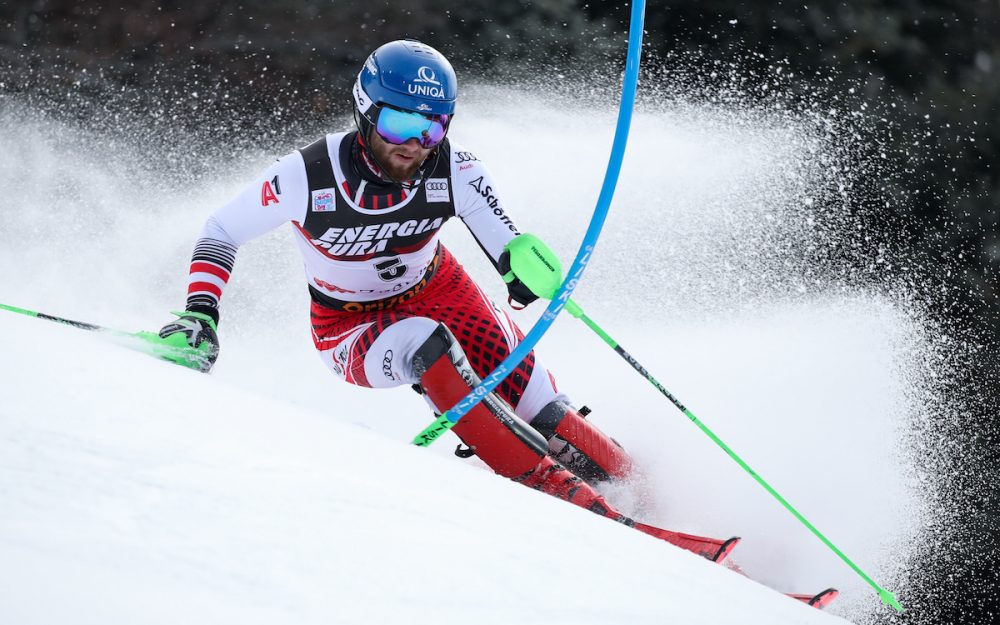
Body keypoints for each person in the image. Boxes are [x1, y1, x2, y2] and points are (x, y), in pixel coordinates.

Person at [158, 39, 735, 562]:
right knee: (427, 347)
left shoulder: (456, 169)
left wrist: (524, 264)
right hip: (350, 324)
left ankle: (662, 508)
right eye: (399, 121)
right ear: (365, 108)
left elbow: (507, 241)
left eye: (431, 128)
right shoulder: (307, 175)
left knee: (540, 405)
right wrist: (201, 313)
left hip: (442, 289)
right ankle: (553, 491)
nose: (413, 143)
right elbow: (221, 230)